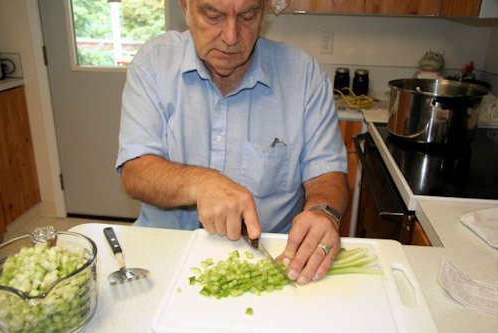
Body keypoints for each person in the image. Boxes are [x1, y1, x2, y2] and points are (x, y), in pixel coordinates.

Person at [116, 0, 350, 286]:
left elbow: (328, 175)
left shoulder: (303, 76)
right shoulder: (153, 63)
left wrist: (322, 212)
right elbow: (135, 173)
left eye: (248, 15)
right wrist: (201, 183)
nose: (231, 37)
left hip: (269, 261)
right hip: (164, 253)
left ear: (265, 10)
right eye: (212, 14)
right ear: (185, 7)